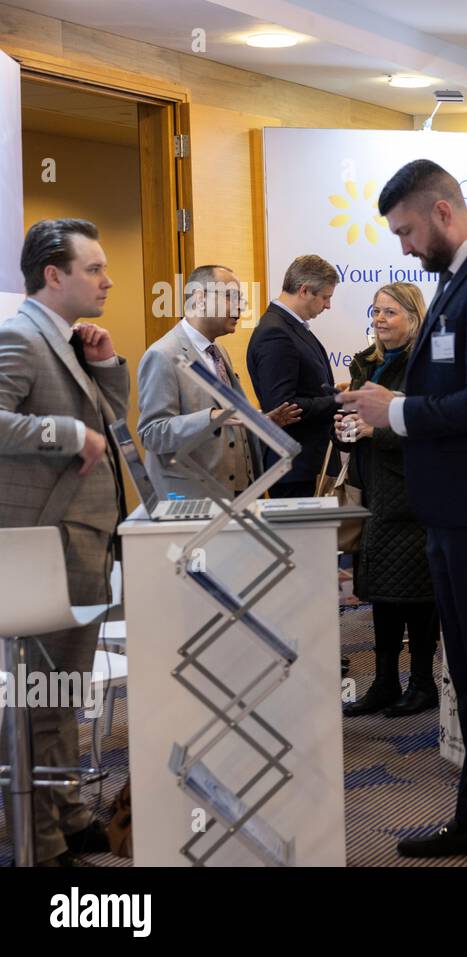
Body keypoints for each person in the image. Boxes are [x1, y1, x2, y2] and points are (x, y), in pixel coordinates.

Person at [339, 159, 467, 867]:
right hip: (457, 515)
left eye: (405, 230)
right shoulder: (463, 279)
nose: (401, 247)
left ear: (441, 211)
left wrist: (392, 410)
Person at [0, 218, 129, 866]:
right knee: (39, 698)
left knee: (64, 693)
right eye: (95, 269)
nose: (107, 280)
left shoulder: (72, 340)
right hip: (42, 546)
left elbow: (115, 422)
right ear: (54, 275)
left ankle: (68, 810)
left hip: (79, 541)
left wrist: (105, 364)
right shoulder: (20, 337)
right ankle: (38, 836)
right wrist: (65, 434)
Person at [335, 283, 440, 718]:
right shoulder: (367, 363)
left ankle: (421, 683)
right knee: (381, 592)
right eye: (376, 311)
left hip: (414, 495)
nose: (379, 319)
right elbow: (356, 420)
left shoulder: (429, 365)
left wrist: (373, 432)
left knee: (417, 594)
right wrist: (343, 428)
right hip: (374, 493)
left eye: (390, 313)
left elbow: (431, 426)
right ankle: (383, 681)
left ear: (414, 318)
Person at [138, 264, 301, 498]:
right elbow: (152, 434)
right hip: (193, 500)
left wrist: (261, 423)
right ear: (200, 298)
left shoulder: (219, 351)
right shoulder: (163, 355)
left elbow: (230, 423)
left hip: (238, 495)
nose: (240, 307)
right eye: (231, 297)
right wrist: (210, 417)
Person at [247, 255, 340, 498]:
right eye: (326, 297)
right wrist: (339, 401)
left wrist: (334, 393)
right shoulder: (276, 333)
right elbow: (283, 408)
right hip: (295, 466)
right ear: (305, 290)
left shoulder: (289, 327)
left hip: (305, 464)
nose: (328, 306)